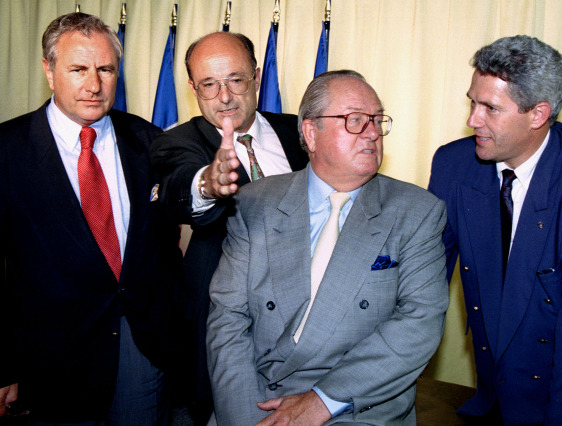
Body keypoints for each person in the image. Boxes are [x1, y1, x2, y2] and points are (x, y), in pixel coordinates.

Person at [206, 69, 449, 425]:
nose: (371, 133)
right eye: (354, 120)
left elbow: (419, 323)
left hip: (357, 402)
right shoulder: (255, 202)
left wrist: (323, 401)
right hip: (259, 396)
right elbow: (227, 319)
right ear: (310, 132)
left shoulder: (417, 212)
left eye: (377, 121)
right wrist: (243, 416)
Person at [428, 35, 562, 425]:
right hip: (495, 391)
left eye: (490, 108)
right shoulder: (453, 165)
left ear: (538, 114)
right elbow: (423, 281)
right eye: (472, 102)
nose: (473, 119)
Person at [0, 12, 184, 424]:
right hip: (49, 366)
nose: (95, 85)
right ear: (49, 71)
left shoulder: (148, 140)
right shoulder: (7, 150)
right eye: (79, 69)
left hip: (142, 352)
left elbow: (163, 245)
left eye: (106, 69)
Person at [150, 31, 308, 422]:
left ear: (256, 76)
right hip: (228, 330)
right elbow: (178, 187)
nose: (223, 96)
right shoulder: (177, 141)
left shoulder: (300, 131)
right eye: (208, 84)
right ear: (192, 87)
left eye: (235, 80)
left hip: (308, 325)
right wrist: (209, 183)